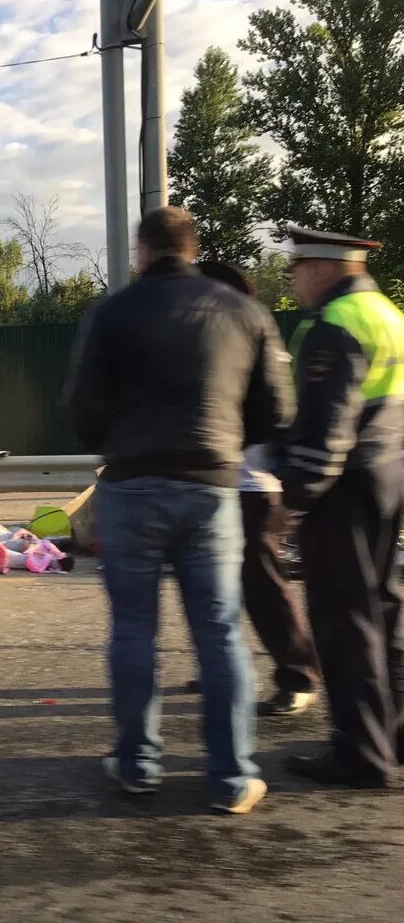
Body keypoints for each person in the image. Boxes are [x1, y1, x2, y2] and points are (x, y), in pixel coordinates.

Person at [64, 207, 294, 815]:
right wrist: (222, 440)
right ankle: (231, 778)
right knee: (218, 630)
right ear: (191, 250)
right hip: (211, 488)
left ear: (143, 252)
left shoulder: (112, 313)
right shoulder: (243, 311)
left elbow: (81, 409)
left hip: (131, 484)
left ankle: (138, 765)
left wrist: (124, 439)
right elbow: (276, 412)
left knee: (134, 627)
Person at [279, 226, 404, 789]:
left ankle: (360, 754)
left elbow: (326, 429)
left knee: (343, 621)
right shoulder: (388, 314)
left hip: (347, 487)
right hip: (391, 475)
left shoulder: (334, 325)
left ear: (324, 267)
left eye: (296, 268)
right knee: (386, 610)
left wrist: (296, 500)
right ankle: (392, 735)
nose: (294, 279)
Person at [195, 260, 320, 716]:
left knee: (264, 587)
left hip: (252, 486)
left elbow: (280, 418)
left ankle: (299, 675)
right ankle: (223, 666)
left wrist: (289, 490)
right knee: (214, 586)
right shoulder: (223, 338)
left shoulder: (252, 337)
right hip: (221, 483)